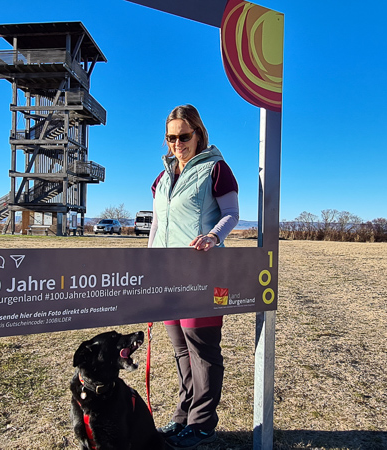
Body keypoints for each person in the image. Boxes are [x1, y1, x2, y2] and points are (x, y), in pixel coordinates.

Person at [148, 104, 239, 449]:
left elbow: (231, 213)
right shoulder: (162, 177)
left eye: (184, 136)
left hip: (202, 271)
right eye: (171, 137)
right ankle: (183, 416)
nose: (177, 143)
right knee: (180, 350)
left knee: (201, 349)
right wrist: (148, 260)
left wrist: (215, 236)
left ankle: (203, 424)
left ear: (198, 134)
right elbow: (157, 223)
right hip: (167, 273)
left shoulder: (216, 169)